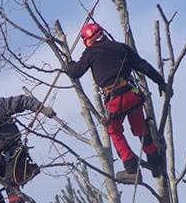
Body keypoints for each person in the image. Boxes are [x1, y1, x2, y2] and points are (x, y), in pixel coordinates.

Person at [66, 22, 171, 184]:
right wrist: (161, 83)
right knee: (141, 129)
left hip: (115, 99)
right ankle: (155, 163)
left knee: (114, 131)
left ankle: (131, 169)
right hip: (132, 94)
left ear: (88, 39)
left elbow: (75, 73)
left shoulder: (91, 53)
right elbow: (143, 66)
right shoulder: (122, 47)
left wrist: (69, 64)